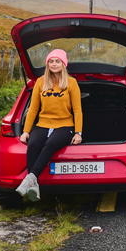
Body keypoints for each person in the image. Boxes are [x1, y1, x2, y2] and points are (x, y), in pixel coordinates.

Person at [16, 48, 83, 201]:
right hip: (43, 124)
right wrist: (26, 131)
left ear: (63, 64)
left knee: (50, 144)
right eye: (51, 61)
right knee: (33, 144)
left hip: (65, 125)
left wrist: (78, 132)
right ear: (47, 64)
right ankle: (34, 186)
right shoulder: (40, 82)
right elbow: (33, 108)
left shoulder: (71, 83)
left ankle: (29, 178)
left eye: (57, 61)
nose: (54, 64)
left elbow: (78, 110)